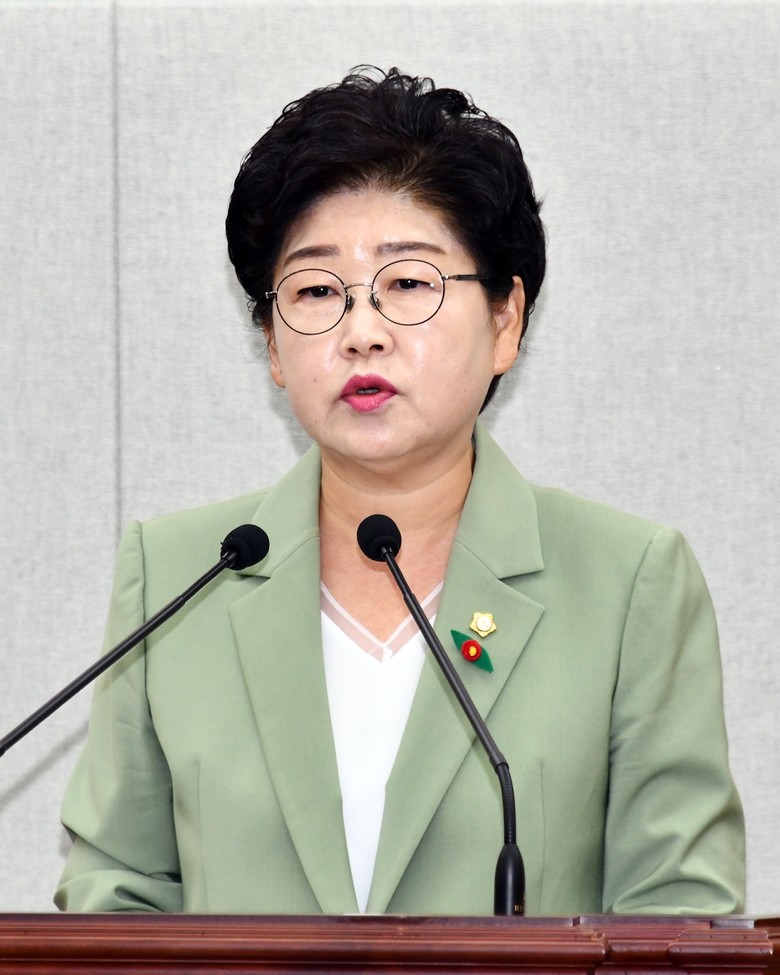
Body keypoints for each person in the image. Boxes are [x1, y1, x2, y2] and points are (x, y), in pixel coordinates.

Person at [55, 67, 745, 916]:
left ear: (506, 320)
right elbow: (116, 893)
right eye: (316, 291)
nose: (362, 332)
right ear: (271, 343)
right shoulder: (176, 577)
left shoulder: (628, 582)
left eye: (409, 283)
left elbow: (677, 913)